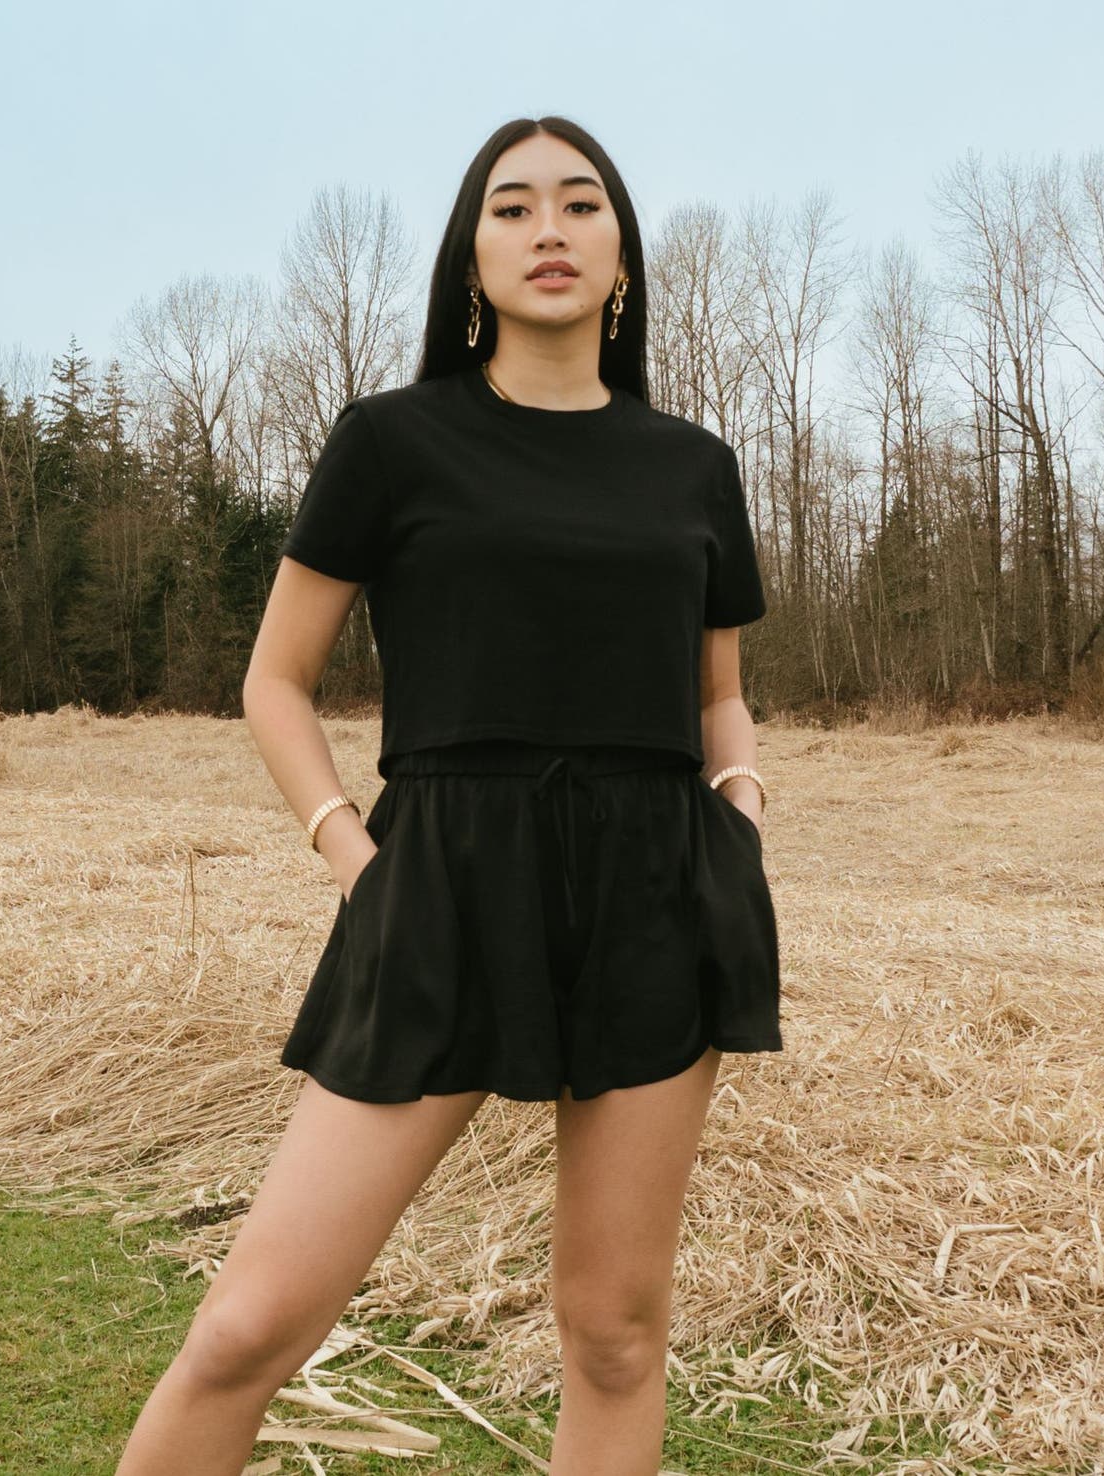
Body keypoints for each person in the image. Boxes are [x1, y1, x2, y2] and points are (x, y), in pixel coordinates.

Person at [115, 114, 779, 1475]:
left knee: (614, 1333)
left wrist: (742, 811)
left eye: (581, 204)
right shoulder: (391, 442)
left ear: (622, 253)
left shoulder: (694, 468)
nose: (550, 231)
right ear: (470, 258)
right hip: (442, 887)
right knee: (248, 1326)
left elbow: (718, 691)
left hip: (656, 895)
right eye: (513, 207)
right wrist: (354, 856)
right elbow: (275, 681)